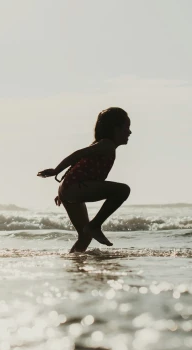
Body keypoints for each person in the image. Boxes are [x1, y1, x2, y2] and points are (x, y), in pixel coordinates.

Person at [37, 107, 131, 252]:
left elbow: (78, 164)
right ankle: (95, 225)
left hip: (70, 188)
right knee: (123, 190)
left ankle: (74, 262)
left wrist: (63, 191)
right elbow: (77, 154)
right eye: (127, 127)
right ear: (116, 129)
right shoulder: (107, 145)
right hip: (74, 187)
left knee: (85, 237)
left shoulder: (101, 145)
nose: (129, 132)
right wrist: (56, 171)